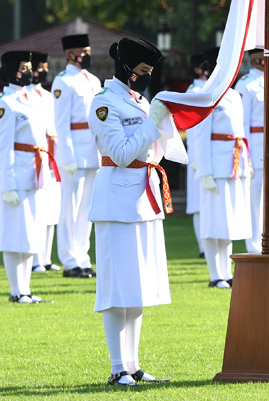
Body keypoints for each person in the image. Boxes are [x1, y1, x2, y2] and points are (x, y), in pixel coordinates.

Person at [88, 37, 173, 386]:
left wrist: (162, 127)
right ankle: (116, 367)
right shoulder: (103, 104)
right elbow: (121, 154)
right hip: (116, 201)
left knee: (138, 287)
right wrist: (153, 124)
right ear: (125, 69)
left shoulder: (140, 100)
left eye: (150, 72)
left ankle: (134, 364)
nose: (146, 77)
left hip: (143, 199)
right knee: (115, 288)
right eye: (142, 70)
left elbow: (153, 152)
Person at [0, 51, 55, 303]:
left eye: (30, 67)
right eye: (23, 68)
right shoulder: (6, 102)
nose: (28, 73)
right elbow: (3, 147)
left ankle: (27, 289)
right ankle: (16, 290)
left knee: (32, 233)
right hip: (16, 176)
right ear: (11, 71)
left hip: (34, 174)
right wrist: (6, 184)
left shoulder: (31, 99)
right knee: (14, 235)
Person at [194, 47, 252, 287]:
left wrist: (246, 165)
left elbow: (241, 131)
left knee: (227, 223)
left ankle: (226, 272)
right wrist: (204, 170)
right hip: (215, 167)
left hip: (233, 165)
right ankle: (214, 274)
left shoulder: (234, 95)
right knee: (211, 223)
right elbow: (200, 136)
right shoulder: (206, 94)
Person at [52, 34, 101, 278]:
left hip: (93, 150)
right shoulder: (64, 82)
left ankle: (83, 257)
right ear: (71, 54)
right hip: (74, 152)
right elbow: (61, 124)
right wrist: (67, 156)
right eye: (84, 50)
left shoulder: (93, 80)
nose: (88, 54)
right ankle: (70, 261)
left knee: (87, 210)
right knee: (69, 209)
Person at [235, 48, 269, 255]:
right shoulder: (245, 85)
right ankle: (255, 245)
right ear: (254, 58)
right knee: (255, 199)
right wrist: (245, 155)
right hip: (256, 145)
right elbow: (243, 123)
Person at [28, 51, 62, 272]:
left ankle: (46, 258)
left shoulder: (48, 96)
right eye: (39, 68)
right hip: (35, 157)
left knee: (51, 211)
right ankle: (34, 259)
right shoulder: (25, 97)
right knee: (37, 211)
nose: (43, 72)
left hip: (52, 157)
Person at [184, 53, 207, 258]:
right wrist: (193, 156)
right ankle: (202, 245)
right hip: (197, 155)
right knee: (198, 204)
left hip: (209, 153)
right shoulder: (194, 91)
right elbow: (191, 128)